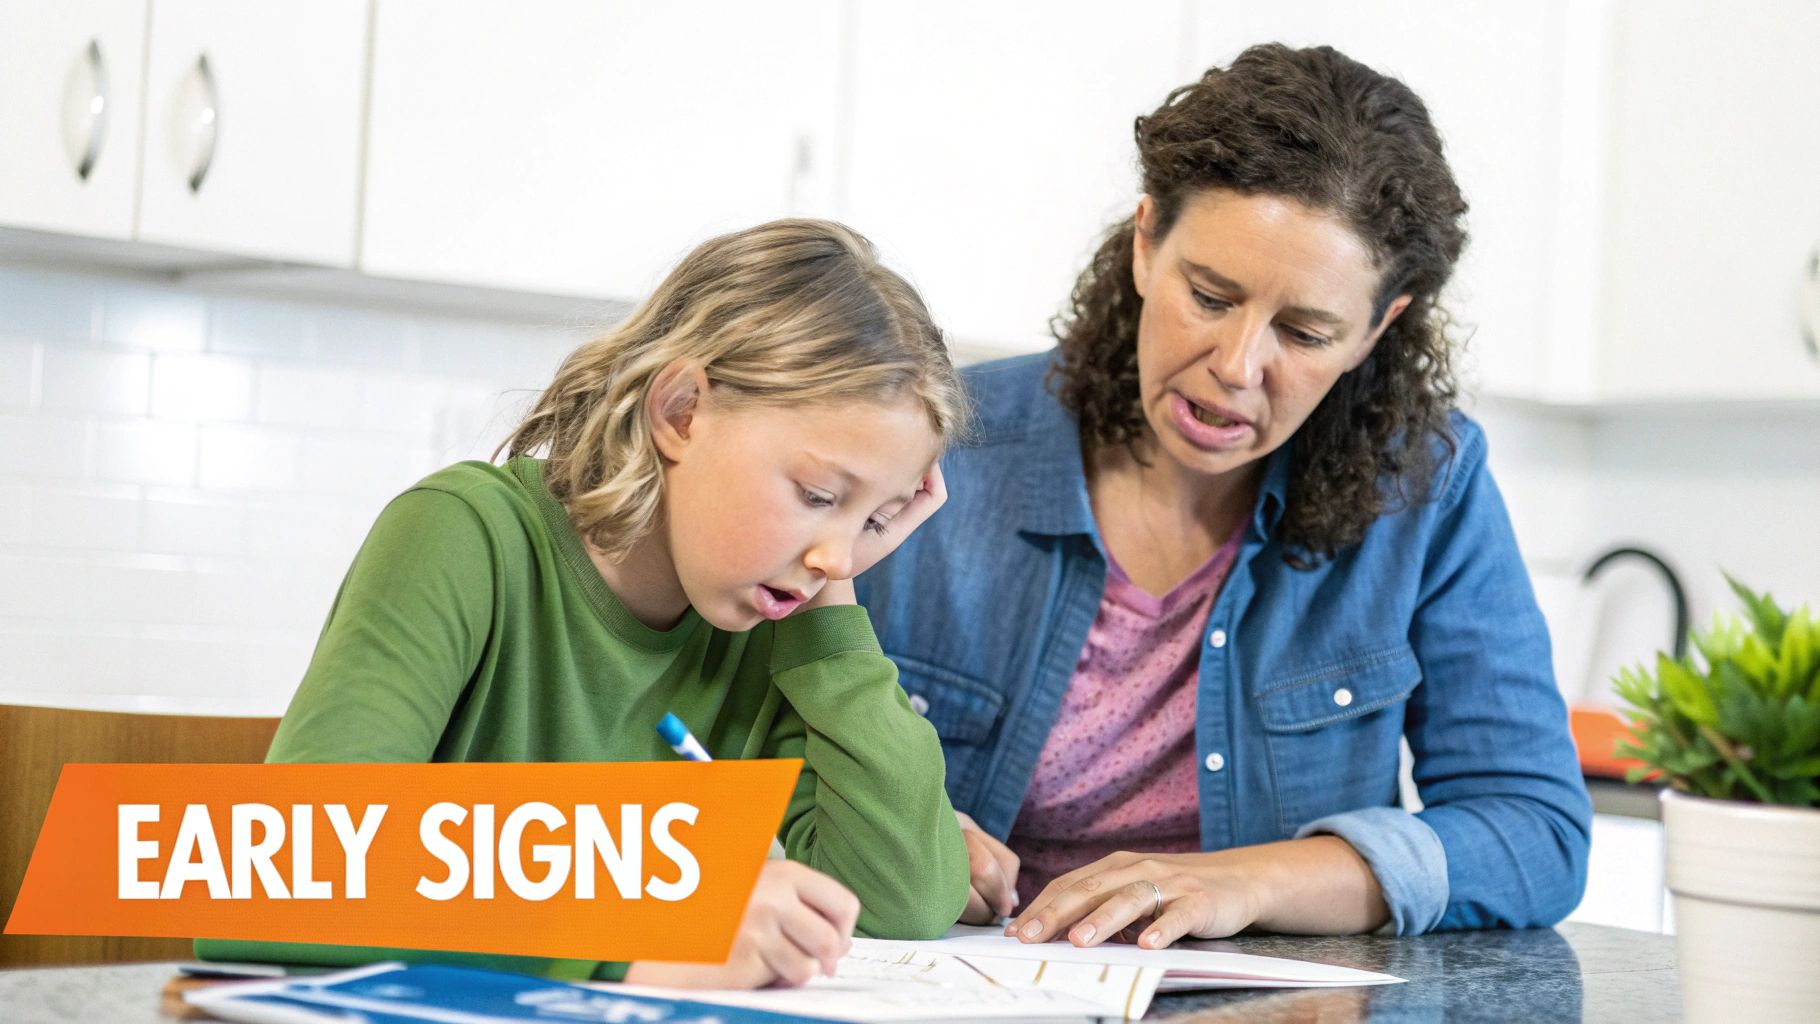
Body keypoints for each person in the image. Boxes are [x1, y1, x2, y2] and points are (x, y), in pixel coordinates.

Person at [855, 43, 1592, 948]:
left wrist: (1245, 881)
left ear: (1376, 330)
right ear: (1144, 242)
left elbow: (1535, 830)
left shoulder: (1427, 490)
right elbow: (718, 754)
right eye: (1208, 296)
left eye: (1307, 331)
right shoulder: (942, 449)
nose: (1238, 368)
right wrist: (868, 834)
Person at [197, 219, 972, 987]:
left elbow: (900, 899)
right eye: (816, 494)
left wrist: (831, 612)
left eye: (876, 519)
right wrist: (646, 939)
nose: (836, 556)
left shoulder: (776, 620)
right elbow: (285, 878)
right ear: (680, 413)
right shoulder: (463, 534)